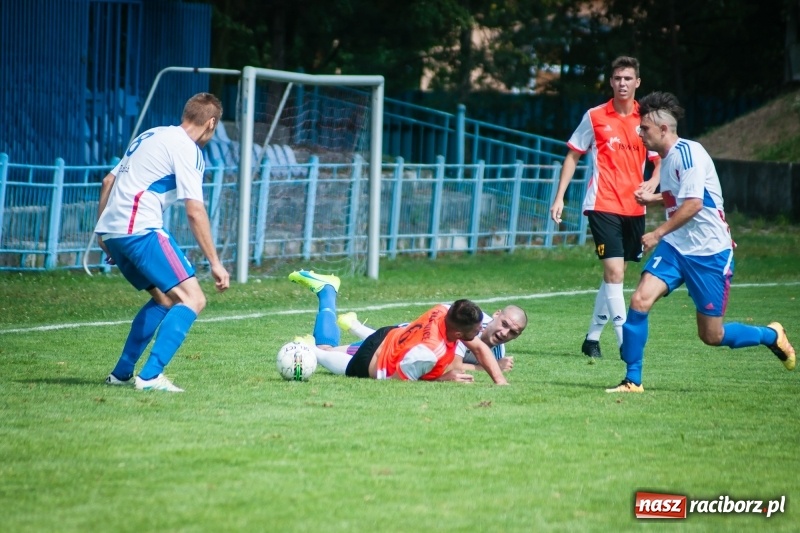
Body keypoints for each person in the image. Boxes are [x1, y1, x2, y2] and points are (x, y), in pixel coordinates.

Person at [606, 91, 795, 392]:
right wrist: (653, 199)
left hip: (709, 253)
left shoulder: (690, 153)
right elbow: (677, 198)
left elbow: (693, 204)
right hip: (677, 248)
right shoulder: (667, 161)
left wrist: (657, 233)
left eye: (645, 129)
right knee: (640, 300)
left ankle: (771, 335)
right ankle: (633, 379)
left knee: (711, 335)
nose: (639, 133)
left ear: (664, 130)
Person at [95, 92, 230, 392]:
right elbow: (195, 211)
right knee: (194, 299)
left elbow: (108, 182)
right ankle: (151, 376)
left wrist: (103, 235)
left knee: (165, 299)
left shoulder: (152, 134)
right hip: (141, 229)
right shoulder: (188, 149)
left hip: (115, 233)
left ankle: (121, 374)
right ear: (210, 123)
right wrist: (216, 263)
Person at [549, 56, 661, 359]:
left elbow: (660, 158)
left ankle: (592, 339)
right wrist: (559, 197)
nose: (622, 84)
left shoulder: (647, 119)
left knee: (616, 275)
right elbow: (573, 154)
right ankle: (626, 342)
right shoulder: (595, 116)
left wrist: (654, 183)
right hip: (602, 205)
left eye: (628, 79)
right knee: (614, 273)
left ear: (637, 83)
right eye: (617, 78)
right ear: (610, 82)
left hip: (635, 208)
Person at [288, 270, 509, 384]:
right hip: (372, 362)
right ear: (459, 334)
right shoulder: (429, 353)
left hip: (388, 334)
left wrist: (500, 382)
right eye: (476, 330)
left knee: (327, 346)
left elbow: (479, 349)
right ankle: (309, 343)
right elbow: (397, 382)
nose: (480, 331)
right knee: (323, 350)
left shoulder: (445, 310)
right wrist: (442, 379)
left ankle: (337, 308)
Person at [337, 305, 527, 373]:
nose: (505, 333)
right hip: (400, 341)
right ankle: (328, 292)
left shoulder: (499, 351)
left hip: (405, 348)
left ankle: (355, 326)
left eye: (513, 332)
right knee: (328, 349)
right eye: (504, 324)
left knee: (329, 351)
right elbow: (453, 365)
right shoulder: (471, 325)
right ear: (496, 315)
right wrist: (483, 368)